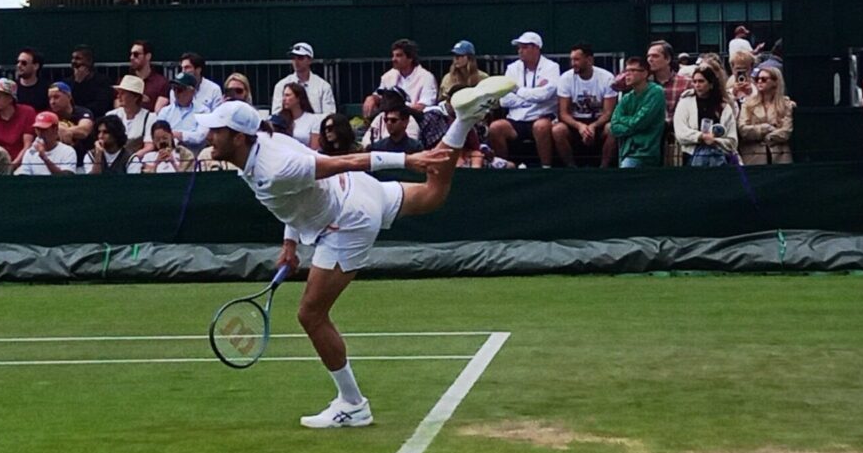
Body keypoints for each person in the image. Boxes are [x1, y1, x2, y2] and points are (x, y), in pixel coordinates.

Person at [197, 75, 515, 429]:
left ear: (238, 137)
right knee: (433, 195)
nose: (209, 137)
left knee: (310, 315)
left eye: (216, 131)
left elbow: (344, 161)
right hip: (359, 195)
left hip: (346, 221)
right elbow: (292, 201)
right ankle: (464, 119)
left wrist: (409, 160)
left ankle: (352, 404)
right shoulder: (264, 147)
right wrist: (289, 243)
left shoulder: (273, 168)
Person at [488, 31, 560, 168]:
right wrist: (532, 96)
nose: (520, 51)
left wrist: (517, 91)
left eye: (524, 47)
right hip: (515, 119)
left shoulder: (551, 67)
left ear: (536, 48)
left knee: (541, 126)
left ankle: (546, 168)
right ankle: (504, 167)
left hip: (540, 117)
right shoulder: (512, 68)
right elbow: (504, 100)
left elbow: (544, 95)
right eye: (519, 47)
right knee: (495, 127)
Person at [552, 43, 617, 167]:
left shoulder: (607, 78)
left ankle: (604, 168)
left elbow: (608, 112)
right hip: (574, 122)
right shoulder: (565, 78)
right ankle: (572, 168)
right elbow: (563, 113)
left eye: (576, 59)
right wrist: (580, 126)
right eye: (571, 59)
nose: (573, 63)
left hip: (599, 122)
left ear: (589, 60)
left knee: (612, 129)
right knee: (558, 130)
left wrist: (593, 126)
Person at [607, 57, 666, 168]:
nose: (627, 75)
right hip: (626, 152)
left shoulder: (656, 92)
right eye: (626, 71)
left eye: (632, 71)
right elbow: (614, 126)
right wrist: (631, 123)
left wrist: (624, 121)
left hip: (646, 153)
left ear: (645, 74)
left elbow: (640, 122)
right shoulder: (627, 98)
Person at [674, 66, 739, 166]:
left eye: (701, 81)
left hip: (719, 155)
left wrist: (715, 141)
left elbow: (732, 141)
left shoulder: (724, 107)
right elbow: (680, 133)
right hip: (691, 155)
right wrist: (701, 137)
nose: (697, 85)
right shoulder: (684, 103)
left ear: (711, 84)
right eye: (694, 81)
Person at [361, 39, 437, 120]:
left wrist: (399, 109)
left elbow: (422, 107)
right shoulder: (388, 76)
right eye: (393, 55)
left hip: (416, 120)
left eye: (399, 55)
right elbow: (379, 95)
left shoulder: (427, 77)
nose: (393, 59)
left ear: (410, 58)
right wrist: (372, 98)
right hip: (389, 120)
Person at [739, 68, 795, 165]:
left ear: (775, 82)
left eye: (764, 79)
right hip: (754, 156)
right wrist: (765, 128)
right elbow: (743, 129)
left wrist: (769, 137)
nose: (759, 82)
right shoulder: (748, 104)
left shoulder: (786, 104)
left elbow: (786, 131)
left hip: (780, 156)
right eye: (757, 79)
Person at [0, 78, 36, 168]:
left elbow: (27, 145)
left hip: (21, 163)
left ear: (10, 99)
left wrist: (13, 165)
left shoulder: (28, 112)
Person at [272, 43, 336, 115]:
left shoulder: (323, 86)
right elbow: (276, 113)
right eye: (293, 58)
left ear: (310, 60)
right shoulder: (281, 85)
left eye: (300, 58)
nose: (296, 61)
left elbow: (329, 114)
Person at [156, 72, 208, 155]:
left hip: (195, 157)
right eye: (174, 89)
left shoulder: (203, 111)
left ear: (192, 91)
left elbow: (200, 136)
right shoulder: (165, 111)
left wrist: (179, 135)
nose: (176, 93)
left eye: (180, 89)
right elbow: (158, 134)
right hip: (168, 156)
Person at [48, 81, 94, 168]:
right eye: (50, 98)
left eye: (56, 97)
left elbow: (84, 131)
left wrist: (62, 130)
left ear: (69, 96)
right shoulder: (49, 115)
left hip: (84, 163)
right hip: (57, 164)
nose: (52, 102)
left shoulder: (83, 112)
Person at [15, 111, 77, 176]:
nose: (40, 133)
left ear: (55, 129)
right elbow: (24, 176)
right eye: (38, 129)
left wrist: (44, 158)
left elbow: (66, 178)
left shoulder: (67, 151)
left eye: (44, 129)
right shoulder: (30, 152)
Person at [110, 74, 157, 158]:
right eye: (118, 93)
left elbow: (149, 146)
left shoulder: (150, 117)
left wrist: (132, 158)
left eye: (123, 93)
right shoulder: (111, 115)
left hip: (138, 162)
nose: (118, 96)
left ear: (135, 97)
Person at [63, 44, 114, 118]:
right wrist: (78, 82)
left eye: (78, 58)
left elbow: (101, 106)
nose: (73, 61)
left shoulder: (102, 81)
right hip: (73, 118)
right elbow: (69, 104)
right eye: (73, 58)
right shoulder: (67, 82)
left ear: (89, 61)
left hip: (95, 118)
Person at [130, 120, 195, 173]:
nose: (162, 142)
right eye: (158, 139)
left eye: (165, 138)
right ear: (153, 140)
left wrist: (173, 163)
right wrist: (156, 163)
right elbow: (146, 180)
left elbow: (187, 178)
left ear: (171, 136)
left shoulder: (183, 154)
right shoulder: (148, 157)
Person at [125, 40, 169, 112]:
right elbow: (118, 104)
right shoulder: (125, 81)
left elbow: (159, 110)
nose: (131, 57)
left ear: (148, 56)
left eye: (136, 54)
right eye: (131, 54)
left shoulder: (161, 83)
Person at [279, 82, 321, 150]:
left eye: (288, 95)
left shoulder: (313, 119)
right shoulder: (279, 119)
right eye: (283, 95)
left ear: (298, 98)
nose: (284, 99)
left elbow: (315, 148)